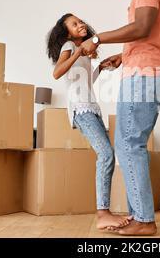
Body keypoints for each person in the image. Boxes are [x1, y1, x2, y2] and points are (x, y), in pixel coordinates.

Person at [81, 0, 160, 236]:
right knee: (129, 144)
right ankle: (139, 216)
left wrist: (98, 39)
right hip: (146, 70)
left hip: (145, 75)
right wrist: (123, 57)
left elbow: (143, 27)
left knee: (128, 145)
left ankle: (144, 221)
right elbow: (148, 33)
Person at [46, 13, 132, 230]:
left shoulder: (83, 55)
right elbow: (57, 73)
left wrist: (100, 68)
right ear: (67, 33)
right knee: (106, 154)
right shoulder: (68, 45)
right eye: (75, 24)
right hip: (81, 109)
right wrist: (76, 53)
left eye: (81, 21)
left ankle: (104, 210)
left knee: (107, 154)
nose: (81, 24)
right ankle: (103, 212)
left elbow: (84, 82)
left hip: (91, 108)